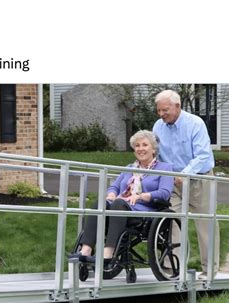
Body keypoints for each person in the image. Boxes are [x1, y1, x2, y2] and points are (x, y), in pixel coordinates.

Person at [70, 130, 174, 268]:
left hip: (143, 212)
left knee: (119, 203)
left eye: (145, 145)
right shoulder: (129, 168)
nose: (140, 149)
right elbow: (114, 186)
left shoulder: (165, 168)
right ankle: (86, 250)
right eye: (137, 145)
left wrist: (142, 196)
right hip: (120, 206)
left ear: (153, 149)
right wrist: (111, 194)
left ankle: (108, 253)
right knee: (100, 203)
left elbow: (165, 192)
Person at [153, 89, 220, 279]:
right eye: (158, 110)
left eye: (165, 110)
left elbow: (203, 155)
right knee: (171, 221)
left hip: (199, 178)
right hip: (172, 181)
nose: (161, 114)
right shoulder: (158, 126)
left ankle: (209, 271)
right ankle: (172, 266)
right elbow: (155, 153)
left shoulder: (194, 124)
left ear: (177, 106)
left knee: (205, 224)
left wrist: (185, 174)